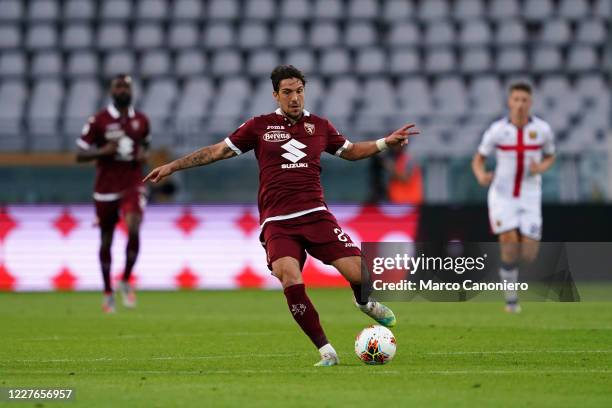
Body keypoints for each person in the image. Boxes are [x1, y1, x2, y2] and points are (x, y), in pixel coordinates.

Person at [144, 65, 419, 366]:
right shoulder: (259, 126)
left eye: (299, 91)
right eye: (287, 92)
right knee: (289, 276)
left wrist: (383, 143)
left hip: (316, 214)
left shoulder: (320, 126)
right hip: (278, 221)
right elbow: (217, 151)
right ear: (275, 95)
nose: (294, 98)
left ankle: (364, 301)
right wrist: (172, 166)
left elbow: (351, 151)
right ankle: (326, 351)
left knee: (359, 274)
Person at [472, 82, 555, 313]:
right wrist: (480, 175)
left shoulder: (542, 130)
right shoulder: (497, 130)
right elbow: (479, 158)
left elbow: (551, 155)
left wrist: (542, 167)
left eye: (524, 100)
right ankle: (511, 300)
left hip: (529, 195)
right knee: (508, 240)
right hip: (502, 194)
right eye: (516, 99)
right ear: (509, 102)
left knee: (528, 253)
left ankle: (512, 275)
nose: (519, 104)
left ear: (530, 103)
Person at [76, 74, 150, 313]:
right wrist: (103, 151)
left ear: (131, 90)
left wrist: (143, 155)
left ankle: (126, 279)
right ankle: (108, 290)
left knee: (134, 227)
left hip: (132, 182)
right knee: (106, 239)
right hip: (106, 187)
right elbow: (80, 154)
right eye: (118, 86)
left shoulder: (141, 120)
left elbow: (145, 145)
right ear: (111, 91)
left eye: (126, 86)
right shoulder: (99, 120)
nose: (122, 90)